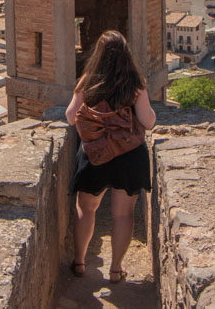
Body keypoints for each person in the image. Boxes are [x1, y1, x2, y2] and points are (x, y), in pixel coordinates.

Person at [65, 30, 156, 284]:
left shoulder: (87, 82)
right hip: (129, 155)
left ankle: (80, 262)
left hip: (94, 154)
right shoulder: (135, 83)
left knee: (85, 209)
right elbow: (148, 122)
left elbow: (71, 116)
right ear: (126, 55)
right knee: (123, 214)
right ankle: (116, 269)